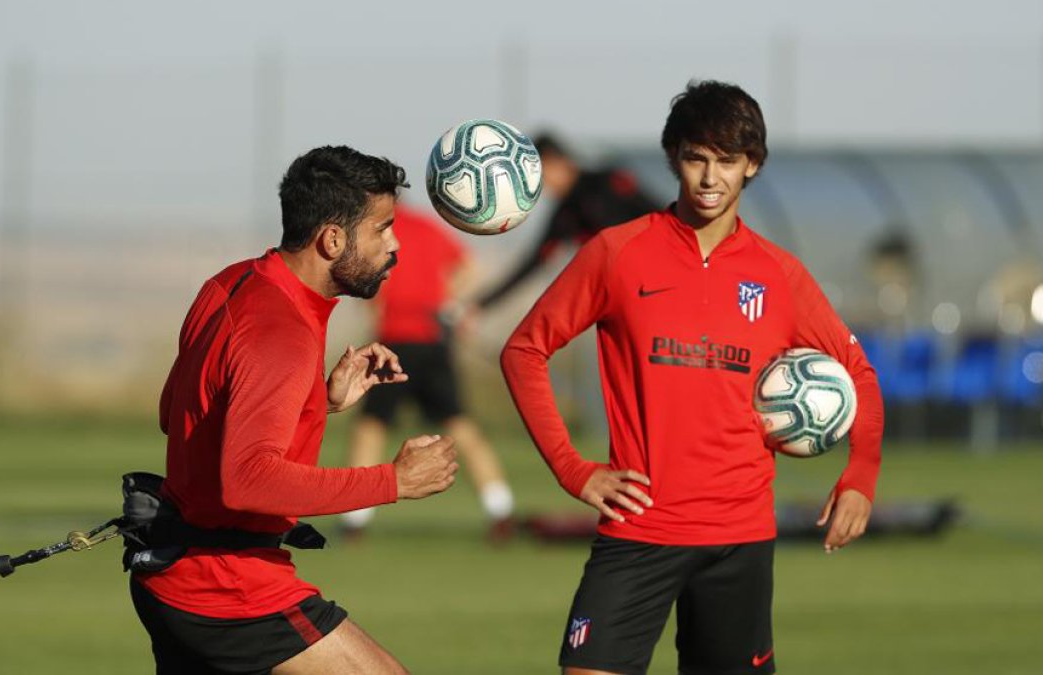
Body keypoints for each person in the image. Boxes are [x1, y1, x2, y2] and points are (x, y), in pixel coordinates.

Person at [501, 81, 885, 674]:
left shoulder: (779, 275)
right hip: (637, 530)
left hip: (739, 538)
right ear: (674, 158)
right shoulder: (616, 253)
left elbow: (858, 371)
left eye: (727, 161)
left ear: (751, 164)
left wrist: (859, 476)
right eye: (696, 158)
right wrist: (572, 468)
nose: (710, 178)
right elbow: (525, 349)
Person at [130, 146, 459, 674]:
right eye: (382, 229)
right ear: (332, 239)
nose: (395, 245)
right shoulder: (280, 330)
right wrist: (394, 481)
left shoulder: (233, 282)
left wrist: (315, 402)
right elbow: (249, 481)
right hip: (229, 591)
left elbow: (179, 412)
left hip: (177, 576)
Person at [340, 203, 515, 542]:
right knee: (460, 425)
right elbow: (467, 265)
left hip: (396, 341)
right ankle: (501, 511)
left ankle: (354, 521)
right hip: (432, 342)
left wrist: (376, 313)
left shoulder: (373, 228)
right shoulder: (426, 225)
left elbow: (366, 285)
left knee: (370, 427)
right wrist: (447, 303)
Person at [476, 132, 659, 310]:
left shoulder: (609, 182)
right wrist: (482, 304)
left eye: (541, 176)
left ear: (557, 161)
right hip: (625, 295)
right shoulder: (564, 216)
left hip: (661, 278)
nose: (541, 186)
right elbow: (533, 264)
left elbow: (663, 216)